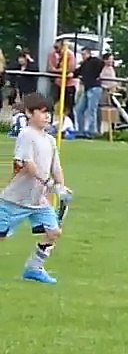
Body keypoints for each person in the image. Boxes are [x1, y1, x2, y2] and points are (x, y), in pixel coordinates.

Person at [0, 93, 70, 285]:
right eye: (42, 112)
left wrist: (61, 186)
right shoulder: (26, 134)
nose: (47, 116)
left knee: (53, 231)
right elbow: (28, 164)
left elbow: (56, 166)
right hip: (15, 199)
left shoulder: (50, 140)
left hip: (38, 201)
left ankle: (34, 268)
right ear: (30, 113)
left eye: (49, 113)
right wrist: (47, 182)